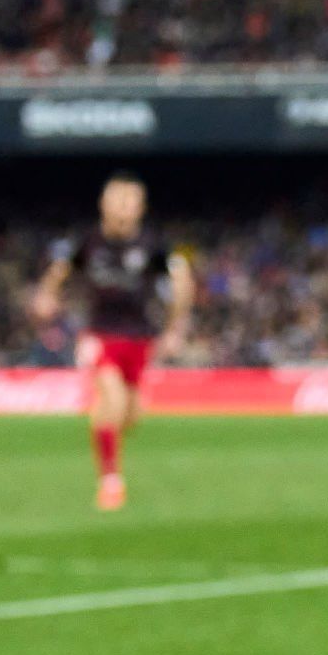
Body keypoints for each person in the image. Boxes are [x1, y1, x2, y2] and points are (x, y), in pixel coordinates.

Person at [34, 173, 192, 511]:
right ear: (103, 205)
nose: (121, 208)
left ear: (140, 208)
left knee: (131, 416)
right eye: (115, 200)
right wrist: (46, 295)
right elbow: (60, 270)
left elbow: (181, 279)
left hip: (140, 336)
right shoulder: (88, 242)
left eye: (128, 201)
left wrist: (176, 326)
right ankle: (110, 481)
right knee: (113, 397)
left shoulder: (152, 245)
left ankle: (102, 427)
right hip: (100, 333)